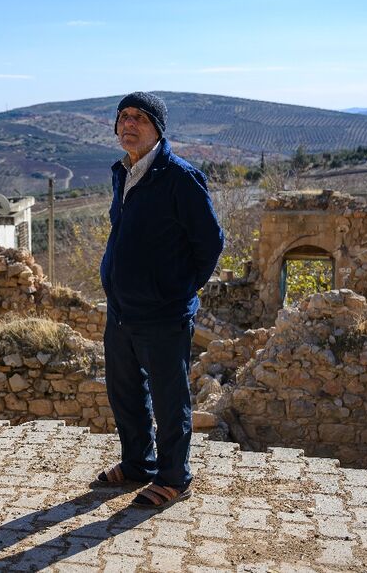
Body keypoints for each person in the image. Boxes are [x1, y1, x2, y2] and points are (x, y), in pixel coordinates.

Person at [97, 91, 224, 509]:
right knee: (126, 392)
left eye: (140, 118)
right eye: (124, 117)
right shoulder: (124, 171)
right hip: (121, 310)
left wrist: (177, 290)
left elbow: (210, 243)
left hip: (164, 313)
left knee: (171, 402)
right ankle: (137, 463)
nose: (129, 124)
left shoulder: (179, 177)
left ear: (157, 129)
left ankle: (174, 476)